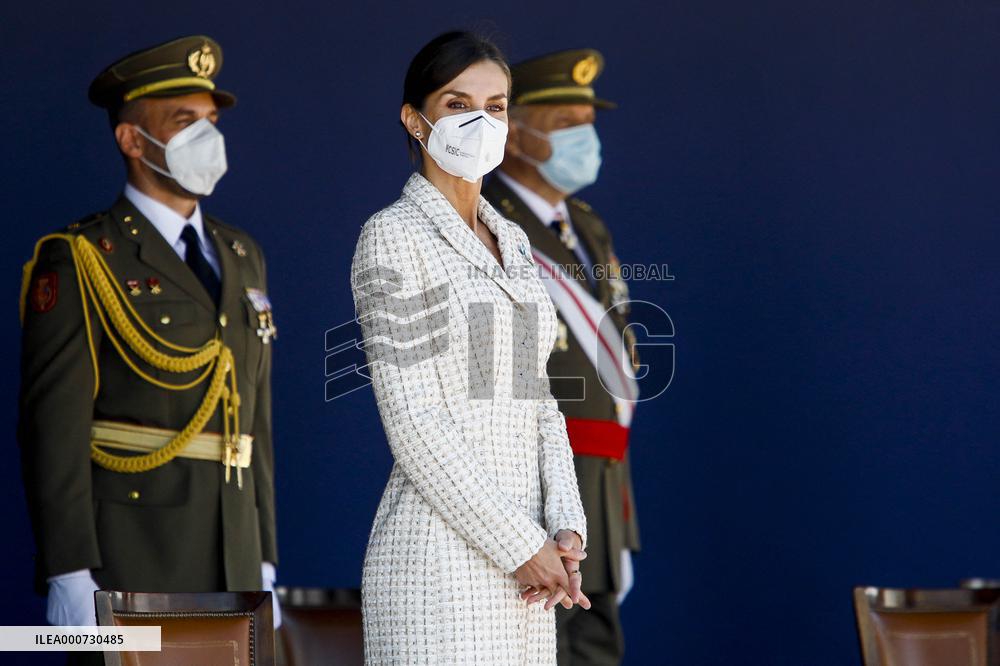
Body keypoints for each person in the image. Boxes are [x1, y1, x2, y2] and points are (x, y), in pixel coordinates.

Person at [17, 35, 280, 664]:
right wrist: (69, 572)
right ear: (133, 141)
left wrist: (265, 554)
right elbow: (52, 427)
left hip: (235, 547)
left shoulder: (242, 254)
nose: (207, 139)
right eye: (184, 122)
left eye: (211, 122)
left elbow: (253, 422)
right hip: (135, 552)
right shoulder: (83, 256)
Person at [349, 31, 591, 665]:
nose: (481, 121)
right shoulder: (393, 235)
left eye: (497, 105)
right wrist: (522, 545)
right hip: (437, 562)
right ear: (414, 118)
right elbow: (415, 424)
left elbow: (538, 399)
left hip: (528, 577)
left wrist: (565, 526)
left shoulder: (511, 239)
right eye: (458, 105)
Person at [482, 48, 642, 666]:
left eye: (589, 121)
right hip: (531, 487)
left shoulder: (587, 225)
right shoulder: (491, 220)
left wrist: (616, 514)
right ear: (514, 134)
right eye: (564, 124)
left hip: (597, 484)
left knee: (596, 649)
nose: (585, 137)